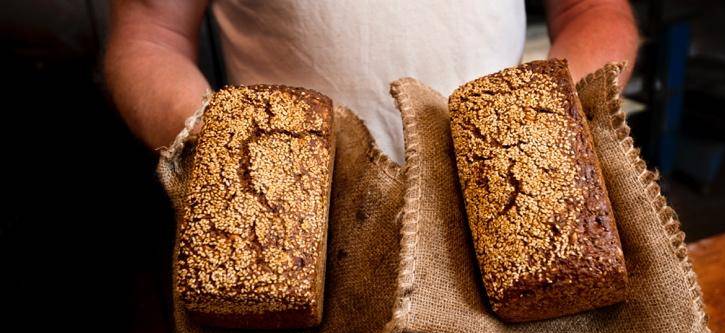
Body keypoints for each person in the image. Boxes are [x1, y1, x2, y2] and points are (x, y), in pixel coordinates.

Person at [105, 0, 638, 162]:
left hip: (499, 198)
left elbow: (591, 10)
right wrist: (225, 152)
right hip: (306, 230)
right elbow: (151, 36)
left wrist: (544, 129)